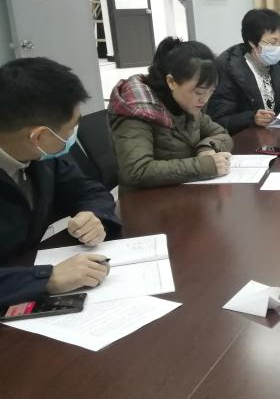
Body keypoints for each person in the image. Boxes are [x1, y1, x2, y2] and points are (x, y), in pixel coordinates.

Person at [0, 57, 118, 307]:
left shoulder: (42, 157)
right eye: (71, 128)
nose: (73, 135)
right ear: (39, 136)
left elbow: (88, 190)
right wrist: (47, 279)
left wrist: (93, 215)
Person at [108, 37, 233, 188]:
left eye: (211, 91)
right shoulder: (137, 111)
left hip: (184, 190)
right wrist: (205, 165)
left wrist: (206, 148)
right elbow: (136, 171)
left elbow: (222, 134)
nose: (205, 99)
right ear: (172, 82)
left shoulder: (186, 103)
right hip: (147, 199)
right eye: (199, 92)